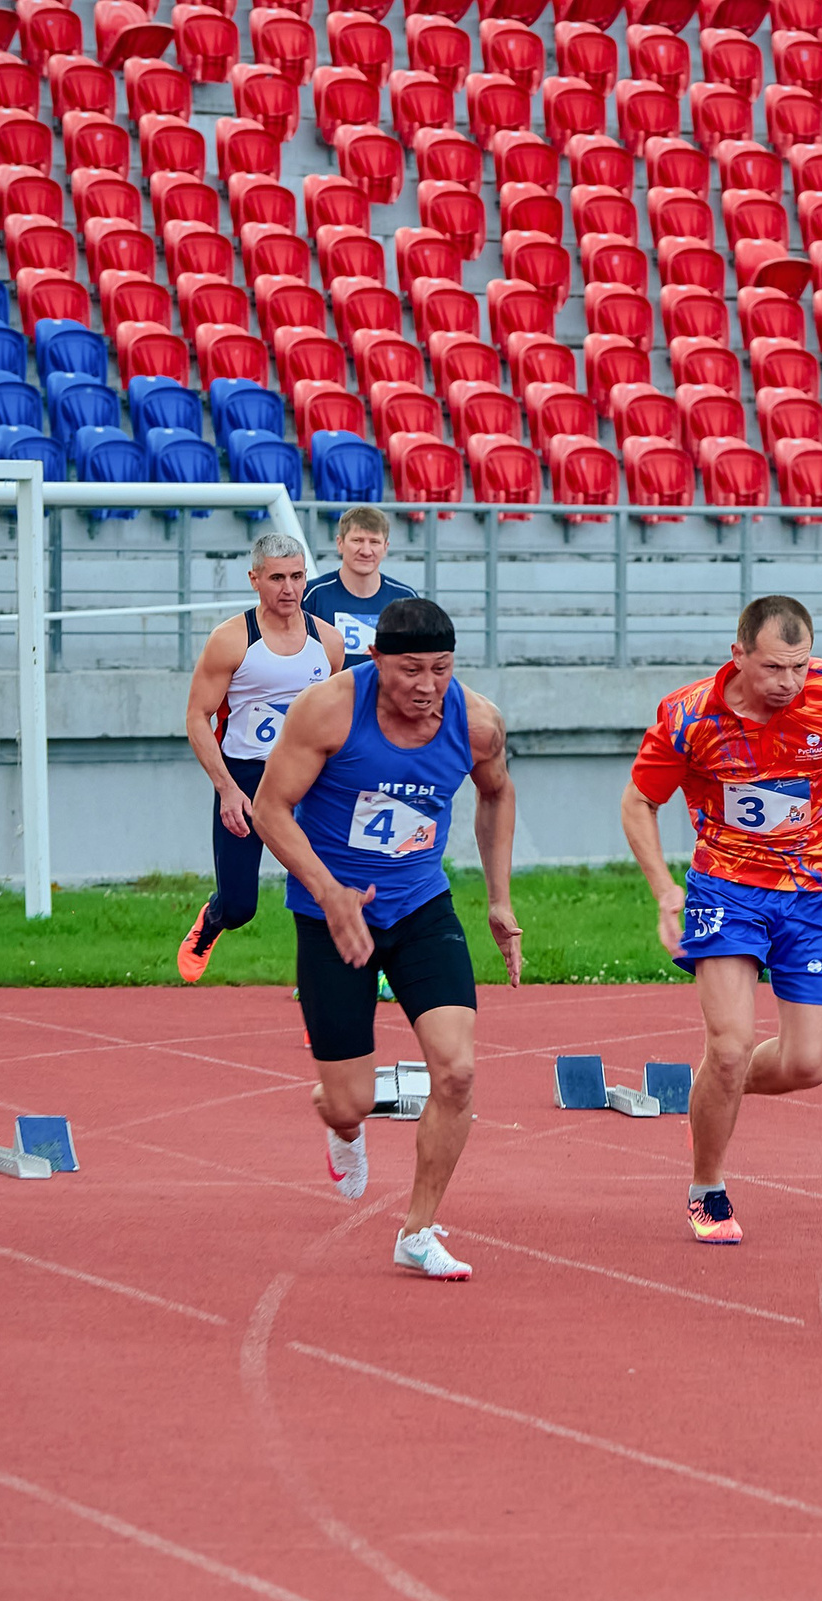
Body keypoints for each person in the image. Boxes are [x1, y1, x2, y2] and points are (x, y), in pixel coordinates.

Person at [250, 599, 524, 1280]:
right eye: (410, 671)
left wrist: (498, 899)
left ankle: (417, 1228)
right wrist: (328, 892)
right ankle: (341, 1124)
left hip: (420, 905)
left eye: (441, 669)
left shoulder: (477, 723)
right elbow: (270, 808)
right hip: (333, 914)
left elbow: (496, 793)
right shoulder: (327, 711)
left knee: (457, 1071)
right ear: (377, 659)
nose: (427, 686)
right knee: (349, 1100)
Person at [619, 595, 822, 1246]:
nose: (788, 683)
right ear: (738, 655)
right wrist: (664, 891)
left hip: (813, 891)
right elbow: (638, 803)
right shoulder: (690, 715)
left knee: (809, 1063)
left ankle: (711, 1096)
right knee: (730, 1045)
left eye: (799, 666)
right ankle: (706, 1189)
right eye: (773, 667)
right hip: (727, 888)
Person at [177, 534, 344, 982]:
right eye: (277, 578)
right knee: (239, 906)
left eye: (297, 577)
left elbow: (334, 717)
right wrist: (227, 789)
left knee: (327, 887)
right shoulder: (231, 640)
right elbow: (197, 717)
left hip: (307, 779)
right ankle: (212, 920)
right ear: (254, 579)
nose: (289, 589)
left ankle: (335, 983)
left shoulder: (328, 642)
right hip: (246, 778)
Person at [299, 505, 419, 664]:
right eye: (357, 540)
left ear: (385, 548)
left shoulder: (406, 599)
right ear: (340, 543)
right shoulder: (311, 595)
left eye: (374, 542)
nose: (366, 551)